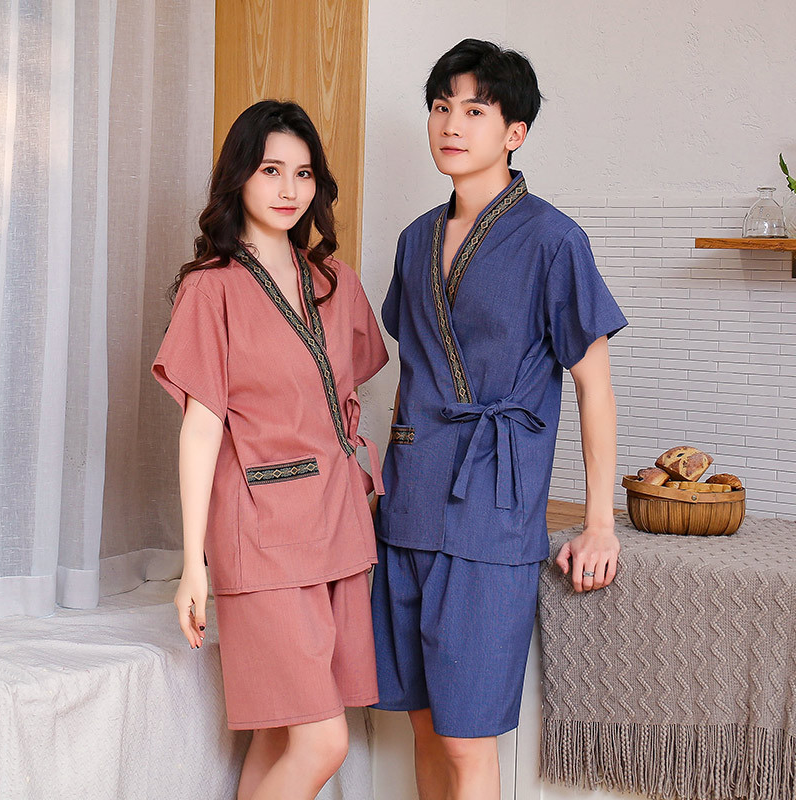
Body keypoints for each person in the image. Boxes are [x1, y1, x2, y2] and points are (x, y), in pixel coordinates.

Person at [371, 39, 629, 800]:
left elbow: (593, 388)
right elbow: (411, 371)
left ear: (514, 132)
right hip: (409, 501)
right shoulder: (415, 239)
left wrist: (600, 523)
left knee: (466, 737)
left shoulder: (554, 239)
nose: (452, 124)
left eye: (475, 110)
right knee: (421, 724)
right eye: (441, 106)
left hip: (493, 508)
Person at [151, 100, 388, 800]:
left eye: (304, 173)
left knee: (278, 735)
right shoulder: (211, 289)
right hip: (261, 535)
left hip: (338, 525)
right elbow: (200, 430)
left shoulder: (337, 282)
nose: (289, 189)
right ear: (240, 178)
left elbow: (347, 395)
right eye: (271, 170)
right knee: (323, 742)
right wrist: (191, 566)